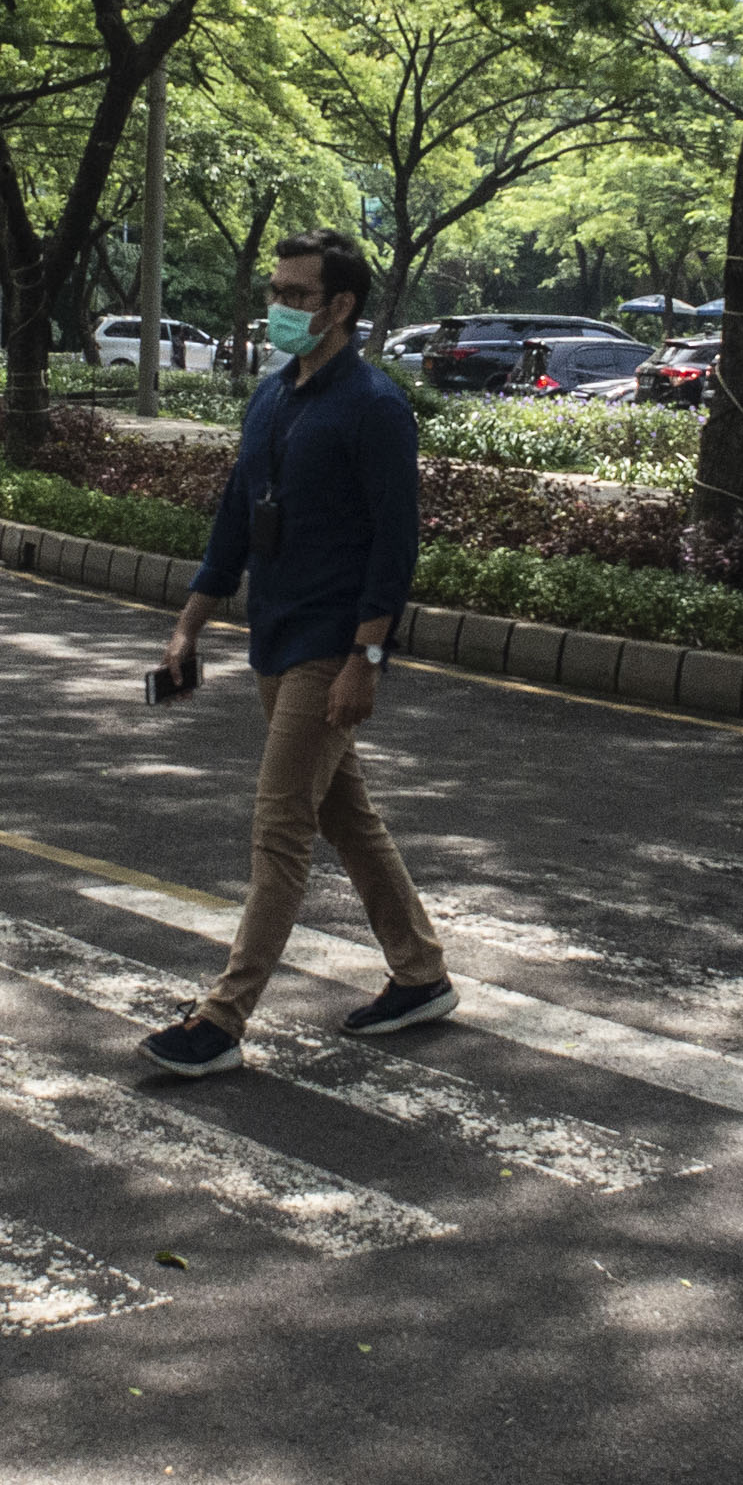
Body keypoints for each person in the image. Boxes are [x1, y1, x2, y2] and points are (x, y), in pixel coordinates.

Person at [134, 231, 455, 1074]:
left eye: (296, 295)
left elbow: (395, 550)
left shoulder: (375, 407)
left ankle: (222, 1020)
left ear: (341, 306)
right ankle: (420, 974)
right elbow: (236, 520)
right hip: (273, 639)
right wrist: (190, 624)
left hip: (331, 647)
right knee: (345, 815)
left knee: (281, 828)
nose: (278, 307)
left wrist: (368, 661)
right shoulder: (273, 397)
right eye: (276, 291)